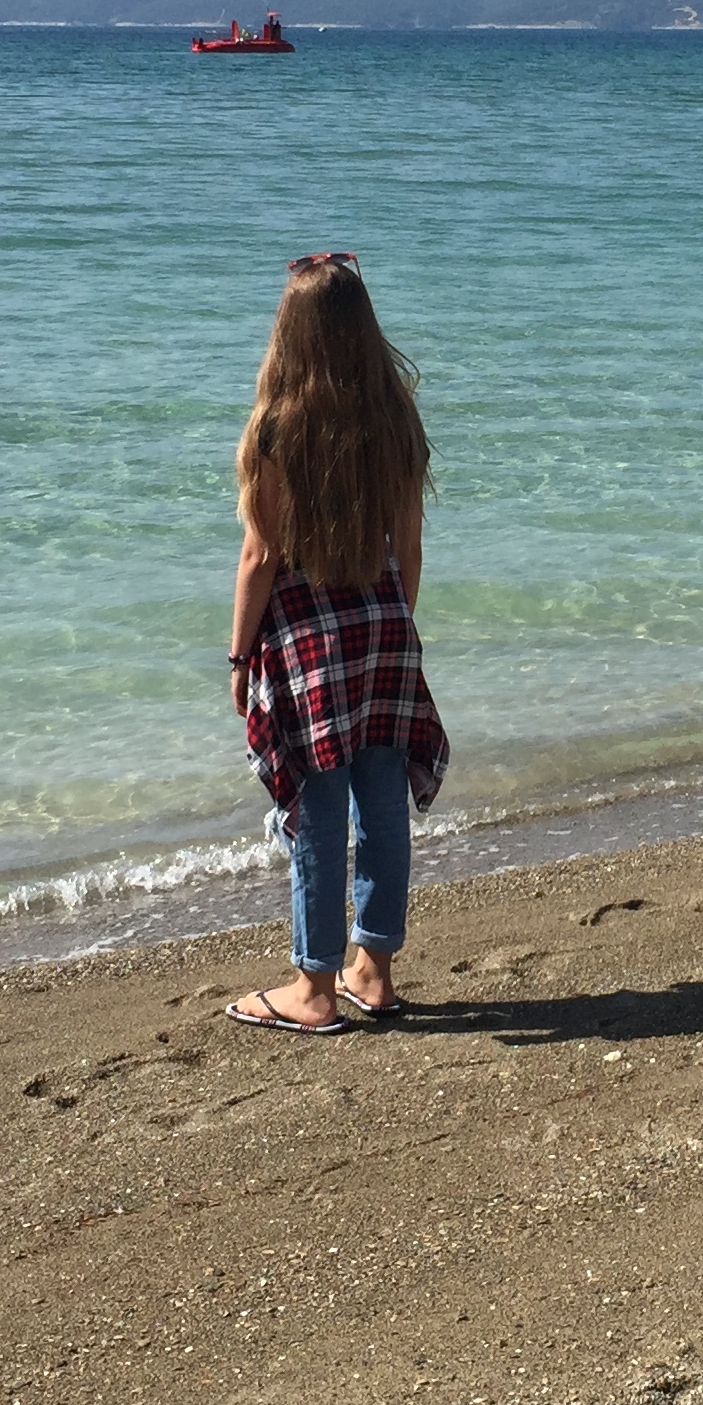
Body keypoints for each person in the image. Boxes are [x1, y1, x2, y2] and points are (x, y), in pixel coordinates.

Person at [226, 251, 448, 1033]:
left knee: (317, 808)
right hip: (385, 627)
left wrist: (238, 655)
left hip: (308, 642)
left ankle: (314, 988)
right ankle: (373, 972)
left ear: (291, 335)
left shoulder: (277, 428)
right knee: (381, 800)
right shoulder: (396, 419)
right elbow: (408, 548)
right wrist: (394, 628)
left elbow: (260, 556)